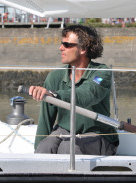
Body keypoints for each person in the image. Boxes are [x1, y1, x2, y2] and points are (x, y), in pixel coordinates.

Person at [29, 25, 119, 155]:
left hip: (98, 133)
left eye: (67, 45)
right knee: (44, 148)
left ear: (83, 49)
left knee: (68, 148)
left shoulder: (102, 73)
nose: (61, 48)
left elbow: (87, 95)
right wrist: (38, 151)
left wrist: (54, 94)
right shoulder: (55, 77)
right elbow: (45, 120)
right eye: (61, 44)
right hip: (65, 131)